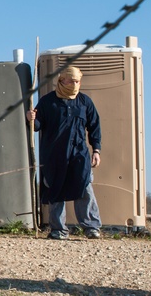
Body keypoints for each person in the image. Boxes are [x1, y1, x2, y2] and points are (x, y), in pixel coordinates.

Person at [26, 65, 102, 240]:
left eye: (78, 81)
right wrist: (31, 119)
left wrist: (96, 150)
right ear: (62, 80)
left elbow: (94, 126)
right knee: (55, 190)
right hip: (54, 155)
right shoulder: (47, 102)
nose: (75, 84)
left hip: (79, 154)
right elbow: (37, 127)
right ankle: (58, 230)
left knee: (84, 187)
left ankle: (91, 227)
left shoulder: (84, 102)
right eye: (72, 81)